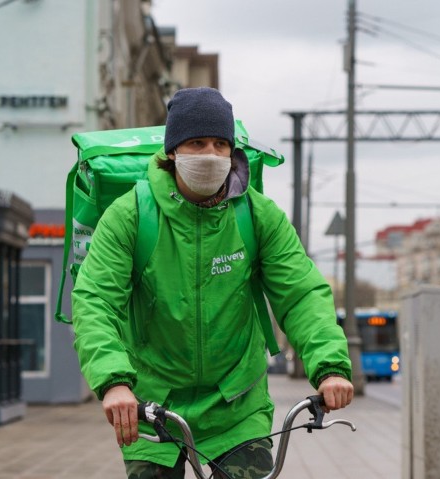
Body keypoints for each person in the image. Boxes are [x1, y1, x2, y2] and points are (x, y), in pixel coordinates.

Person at [71, 87, 354, 479]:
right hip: (153, 405)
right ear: (172, 151)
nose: (210, 154)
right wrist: (113, 383)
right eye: (197, 142)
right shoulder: (131, 214)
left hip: (238, 404)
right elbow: (96, 301)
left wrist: (329, 367)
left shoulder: (257, 215)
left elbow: (301, 293)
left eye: (221, 144)